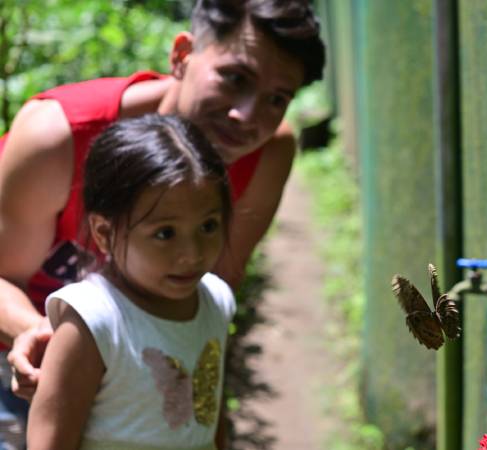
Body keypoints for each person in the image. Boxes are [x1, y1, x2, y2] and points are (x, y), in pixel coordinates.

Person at [0, 0, 324, 444]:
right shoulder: (57, 136)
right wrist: (50, 337)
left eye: (277, 99)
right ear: (182, 55)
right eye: (235, 78)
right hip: (26, 359)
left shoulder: (268, 153)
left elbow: (211, 291)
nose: (247, 117)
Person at [26, 114, 235, 450]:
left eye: (208, 226)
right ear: (105, 233)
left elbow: (212, 413)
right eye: (165, 233)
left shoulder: (216, 299)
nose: (192, 254)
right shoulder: (95, 321)